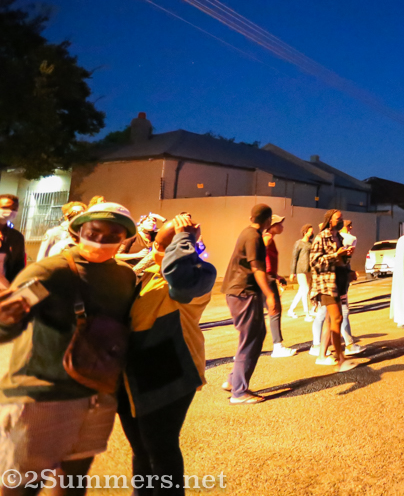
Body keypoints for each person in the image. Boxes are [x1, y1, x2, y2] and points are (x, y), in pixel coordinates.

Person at [0, 202, 137, 488]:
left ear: (125, 239)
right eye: (94, 231)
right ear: (78, 232)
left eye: (114, 234)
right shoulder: (51, 273)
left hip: (96, 395)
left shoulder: (124, 276)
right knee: (21, 485)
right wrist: (7, 319)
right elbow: (6, 324)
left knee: (73, 482)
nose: (101, 240)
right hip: (42, 395)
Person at [119, 214, 216, 495]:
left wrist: (181, 236)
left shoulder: (198, 277)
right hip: (130, 375)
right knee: (141, 450)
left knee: (160, 449)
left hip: (169, 371)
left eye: (186, 247)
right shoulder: (148, 273)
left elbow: (178, 273)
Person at [221, 204, 276, 404]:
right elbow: (257, 267)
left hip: (238, 292)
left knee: (253, 336)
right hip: (244, 292)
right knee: (251, 338)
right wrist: (269, 294)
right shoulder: (254, 237)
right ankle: (239, 392)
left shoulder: (248, 233)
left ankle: (233, 381)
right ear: (268, 220)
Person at [309, 210, 355, 370]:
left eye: (342, 218)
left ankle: (322, 356)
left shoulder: (340, 238)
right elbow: (314, 261)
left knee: (331, 321)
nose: (341, 221)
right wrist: (336, 254)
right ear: (329, 220)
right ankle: (340, 358)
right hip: (325, 284)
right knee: (337, 318)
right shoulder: (321, 237)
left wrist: (346, 259)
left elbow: (340, 260)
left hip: (338, 283)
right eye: (338, 218)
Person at [263, 215, 295, 358]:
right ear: (272, 226)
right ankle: (278, 347)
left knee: (257, 316)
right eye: (279, 224)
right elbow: (257, 259)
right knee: (275, 311)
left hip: (268, 278)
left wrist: (277, 276)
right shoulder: (267, 238)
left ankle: (244, 351)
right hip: (265, 280)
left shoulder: (269, 239)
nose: (282, 227)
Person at [338, 219, 363, 355]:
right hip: (340, 278)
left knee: (326, 315)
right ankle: (348, 344)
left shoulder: (332, 238)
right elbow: (345, 259)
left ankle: (319, 345)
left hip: (336, 277)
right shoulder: (351, 238)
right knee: (343, 311)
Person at [288, 224, 315, 320]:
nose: (311, 233)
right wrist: (292, 272)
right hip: (300, 269)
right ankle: (307, 314)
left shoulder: (311, 244)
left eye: (312, 231)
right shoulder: (298, 243)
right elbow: (294, 258)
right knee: (306, 289)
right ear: (305, 232)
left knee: (303, 291)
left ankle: (291, 310)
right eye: (310, 231)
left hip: (308, 269)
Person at [0, 194, 26, 290]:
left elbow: (18, 266)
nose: (10, 211)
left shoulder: (17, 237)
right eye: (5, 207)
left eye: (14, 209)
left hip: (5, 290)